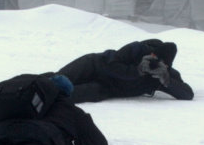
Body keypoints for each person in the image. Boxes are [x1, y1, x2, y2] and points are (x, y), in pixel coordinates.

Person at [57, 38, 194, 103]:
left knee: (67, 95)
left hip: (106, 88)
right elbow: (111, 66)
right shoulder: (136, 49)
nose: (154, 63)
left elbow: (187, 94)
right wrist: (138, 71)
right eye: (153, 58)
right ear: (151, 53)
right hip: (94, 65)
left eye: (160, 63)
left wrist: (166, 81)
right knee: (57, 80)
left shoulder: (163, 74)